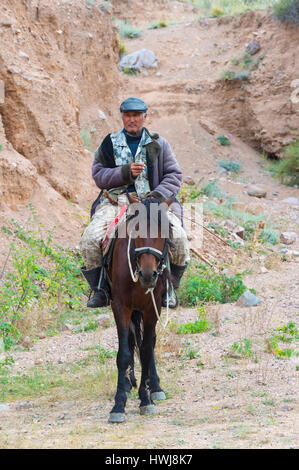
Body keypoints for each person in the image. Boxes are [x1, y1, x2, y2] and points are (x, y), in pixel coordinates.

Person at [80, 97, 190, 308]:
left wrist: (155, 196)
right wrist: (124, 172)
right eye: (128, 115)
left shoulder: (159, 143)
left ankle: (169, 288)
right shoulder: (109, 143)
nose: (132, 119)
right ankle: (100, 289)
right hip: (116, 202)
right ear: (122, 117)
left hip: (153, 203)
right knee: (90, 239)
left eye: (137, 115)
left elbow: (174, 175)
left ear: (144, 117)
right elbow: (98, 175)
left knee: (181, 240)